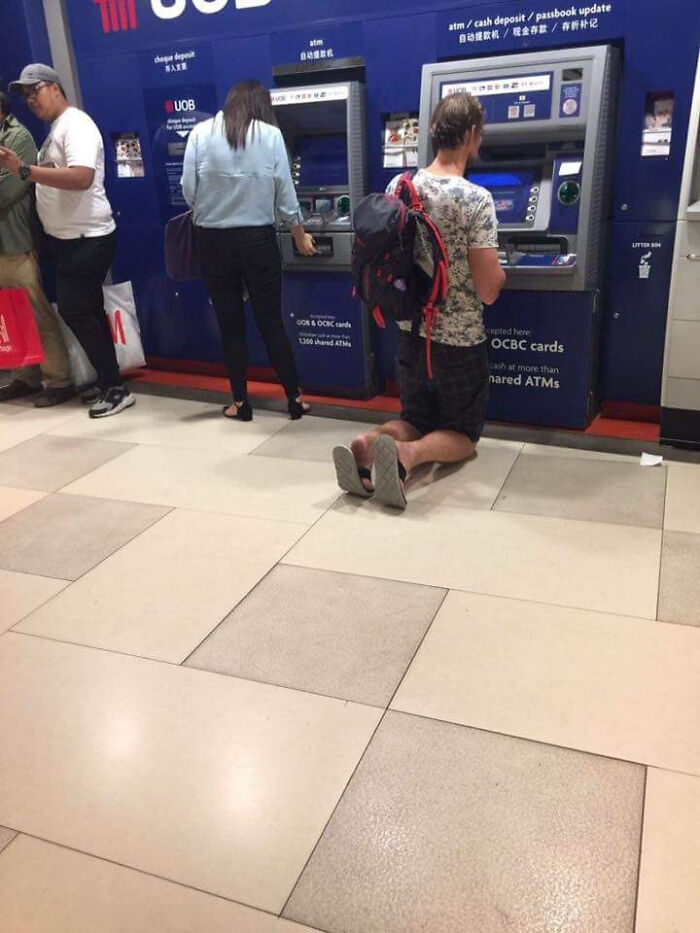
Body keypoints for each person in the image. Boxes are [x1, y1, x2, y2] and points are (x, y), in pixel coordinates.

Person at [333, 93, 505, 509]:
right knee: (464, 436)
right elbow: (488, 288)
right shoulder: (475, 199)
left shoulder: (401, 185)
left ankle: (370, 440)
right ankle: (409, 457)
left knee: (413, 418)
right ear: (471, 135)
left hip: (411, 332)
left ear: (433, 132)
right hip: (459, 342)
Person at [0, 64, 134, 418]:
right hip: (69, 240)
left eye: (35, 91)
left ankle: (116, 388)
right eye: (26, 95)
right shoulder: (57, 129)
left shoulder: (76, 125)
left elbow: (81, 178)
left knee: (78, 311)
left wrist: (25, 171)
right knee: (86, 312)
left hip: (87, 238)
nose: (31, 100)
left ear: (55, 88)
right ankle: (109, 382)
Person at [181, 79, 316, 422]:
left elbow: (187, 188)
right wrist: (299, 233)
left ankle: (241, 403)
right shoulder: (270, 136)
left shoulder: (199, 133)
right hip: (258, 240)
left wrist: (213, 209)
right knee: (271, 321)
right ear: (260, 106)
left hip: (213, 241)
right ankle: (294, 399)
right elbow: (285, 192)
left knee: (230, 325)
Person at [0, 89, 74, 406]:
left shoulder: (19, 137)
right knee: (7, 314)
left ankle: (59, 379)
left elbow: (7, 190)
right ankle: (24, 376)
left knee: (35, 310)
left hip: (17, 241)